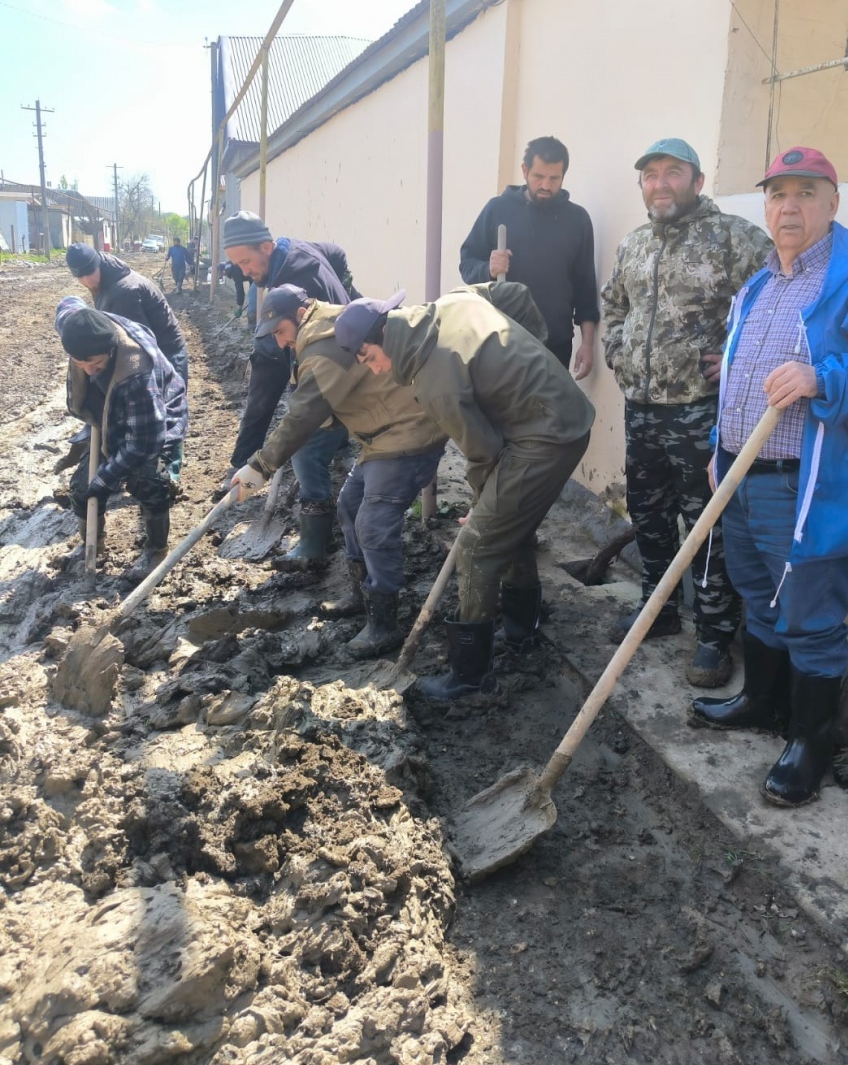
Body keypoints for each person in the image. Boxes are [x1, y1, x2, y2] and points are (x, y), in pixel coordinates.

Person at [690, 146, 848, 808]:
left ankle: (809, 744)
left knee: (810, 612)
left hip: (805, 481)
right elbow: (741, 377)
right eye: (777, 194)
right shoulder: (761, 282)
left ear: (830, 203)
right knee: (757, 594)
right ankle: (761, 702)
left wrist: (822, 377)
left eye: (804, 193)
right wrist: (721, 444)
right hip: (742, 472)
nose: (788, 206)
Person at [334, 283, 595, 701]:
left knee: (478, 547)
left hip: (546, 436)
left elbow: (483, 452)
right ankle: (521, 632)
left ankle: (471, 678)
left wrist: (480, 504)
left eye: (369, 357)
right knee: (508, 527)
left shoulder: (436, 379)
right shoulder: (453, 300)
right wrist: (534, 354)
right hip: (556, 414)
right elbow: (513, 293)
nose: (375, 369)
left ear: (383, 335)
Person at [601, 138, 771, 688]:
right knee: (649, 515)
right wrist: (618, 352)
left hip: (702, 411)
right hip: (642, 407)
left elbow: (776, 303)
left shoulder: (734, 240)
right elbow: (614, 306)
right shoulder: (634, 245)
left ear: (697, 181)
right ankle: (658, 611)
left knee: (707, 525)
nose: (660, 183)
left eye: (673, 172)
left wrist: (738, 357)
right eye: (650, 174)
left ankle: (715, 636)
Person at [230, 285, 448, 657]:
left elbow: (304, 414)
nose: (281, 343)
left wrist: (260, 466)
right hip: (381, 436)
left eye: (281, 332)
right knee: (349, 505)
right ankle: (360, 594)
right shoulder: (320, 329)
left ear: (299, 316)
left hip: (408, 431)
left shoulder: (322, 346)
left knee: (372, 524)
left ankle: (384, 624)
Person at [219, 211, 356, 569]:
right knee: (306, 428)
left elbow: (297, 394)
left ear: (266, 247)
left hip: (344, 371)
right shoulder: (296, 249)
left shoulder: (300, 276)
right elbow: (336, 252)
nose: (244, 273)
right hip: (338, 365)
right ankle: (336, 448)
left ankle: (314, 546)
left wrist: (255, 462)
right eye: (237, 265)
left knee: (305, 449)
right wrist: (349, 289)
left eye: (246, 262)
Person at [55, 298, 188, 577]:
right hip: (110, 414)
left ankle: (156, 549)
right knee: (81, 487)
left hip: (154, 419)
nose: (88, 371)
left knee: (148, 482)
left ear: (111, 349)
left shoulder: (136, 371)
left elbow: (143, 444)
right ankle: (93, 543)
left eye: (96, 364)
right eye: (80, 364)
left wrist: (105, 479)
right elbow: (68, 306)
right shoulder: (82, 331)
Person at [459, 135, 600, 377]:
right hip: (502, 341)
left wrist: (587, 345)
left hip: (555, 345)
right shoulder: (497, 209)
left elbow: (585, 288)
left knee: (551, 414)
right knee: (504, 414)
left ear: (563, 176)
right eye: (539, 176)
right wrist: (488, 269)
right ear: (525, 171)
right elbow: (467, 264)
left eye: (554, 178)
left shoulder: (577, 220)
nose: (546, 185)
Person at [66, 243, 189, 386]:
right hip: (155, 349)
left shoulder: (123, 292)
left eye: (90, 272)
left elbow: (139, 345)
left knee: (169, 406)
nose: (87, 281)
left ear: (97, 263)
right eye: (80, 276)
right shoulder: (103, 279)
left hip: (166, 353)